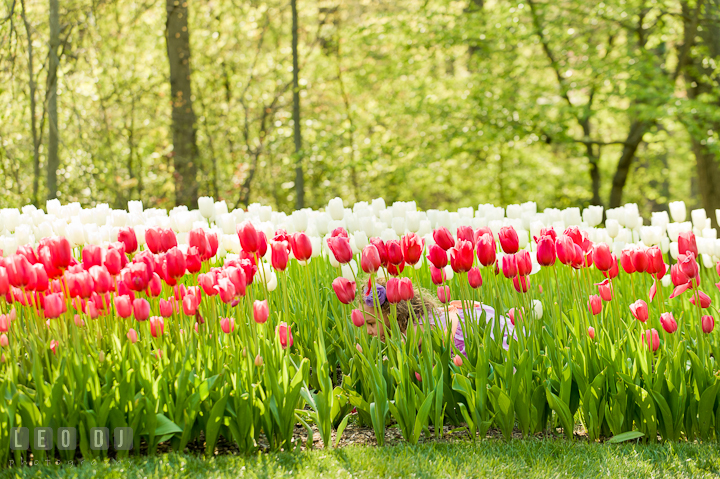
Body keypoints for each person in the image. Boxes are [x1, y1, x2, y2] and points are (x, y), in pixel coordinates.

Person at [358, 278, 514, 355]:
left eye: (371, 323)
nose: (368, 331)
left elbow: (400, 359)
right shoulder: (408, 324)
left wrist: (368, 355)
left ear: (390, 313)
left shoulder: (413, 332)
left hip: (471, 333)